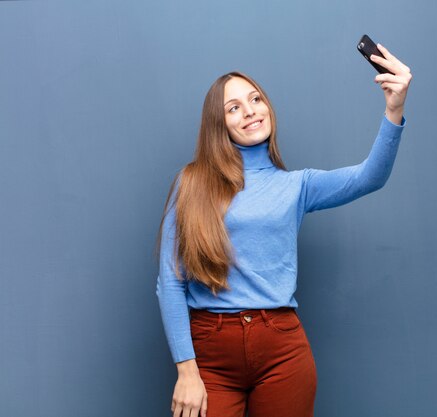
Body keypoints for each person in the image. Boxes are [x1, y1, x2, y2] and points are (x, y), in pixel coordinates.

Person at [156, 43, 411, 417]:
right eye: (234, 108)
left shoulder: (297, 186)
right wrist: (186, 370)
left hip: (282, 350)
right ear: (219, 124)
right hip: (210, 352)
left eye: (255, 99)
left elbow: (369, 177)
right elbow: (170, 280)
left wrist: (394, 108)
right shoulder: (192, 183)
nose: (250, 111)